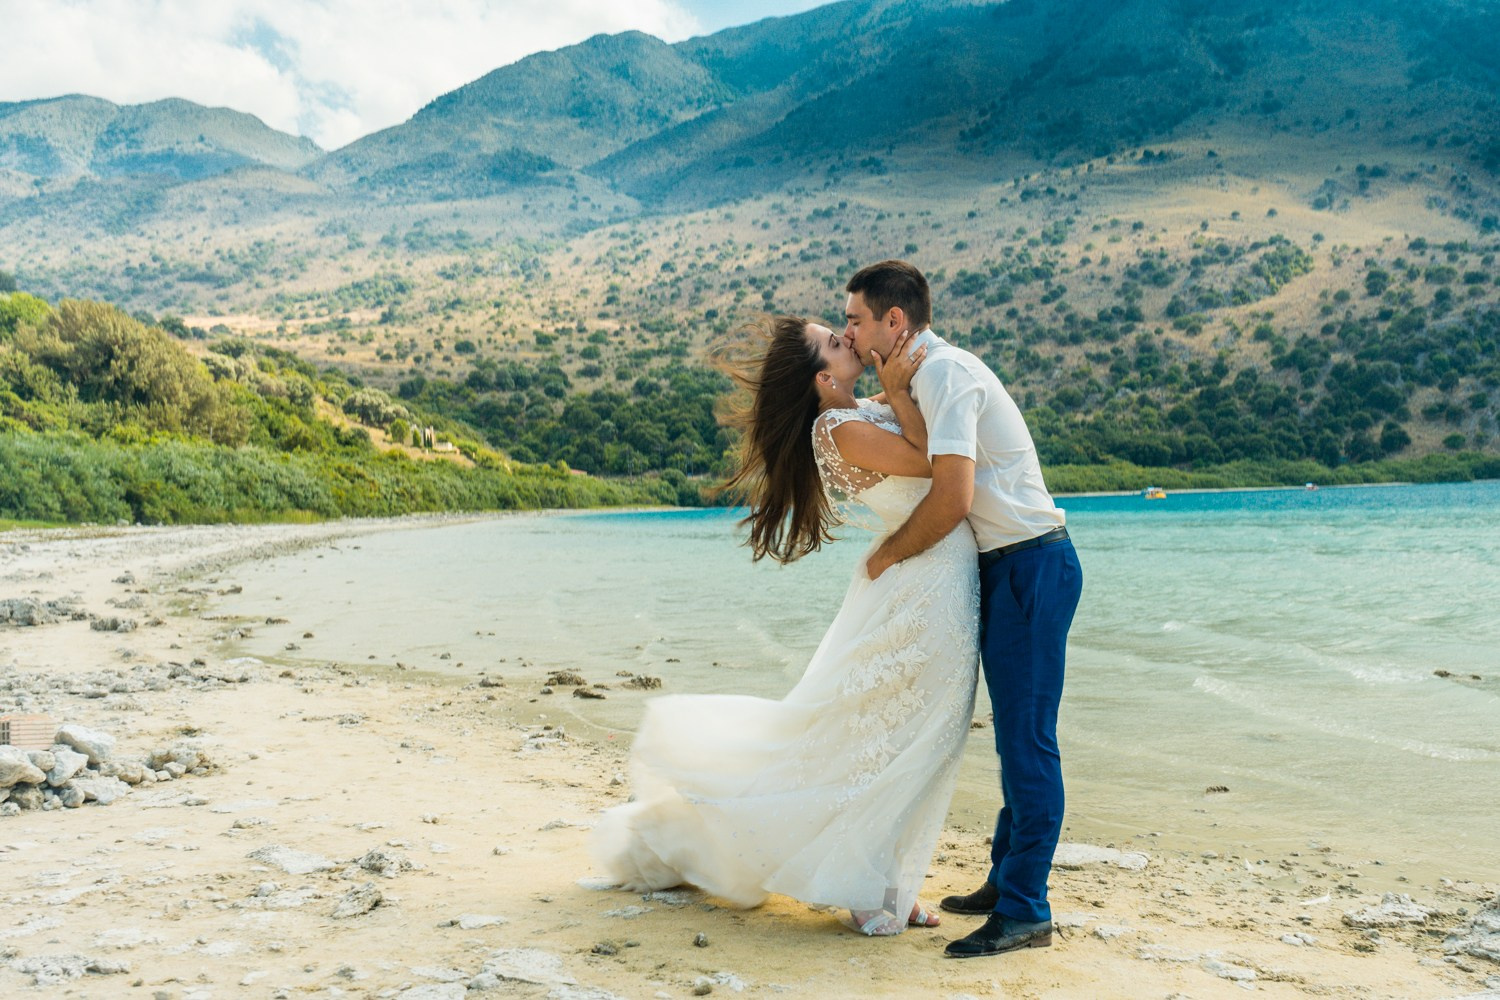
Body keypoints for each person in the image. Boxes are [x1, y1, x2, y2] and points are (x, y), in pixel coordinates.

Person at [591, 313, 980, 936]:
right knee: (887, 737)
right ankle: (869, 884)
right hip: (916, 582)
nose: (848, 337)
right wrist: (904, 390)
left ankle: (893, 881)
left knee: (915, 735)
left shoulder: (860, 408)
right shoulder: (838, 427)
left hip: (933, 580)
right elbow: (933, 462)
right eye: (834, 340)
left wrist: (900, 388)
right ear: (823, 379)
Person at [842, 259, 1082, 959]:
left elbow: (951, 497)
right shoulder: (917, 380)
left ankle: (1026, 910)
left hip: (1031, 565)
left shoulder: (946, 376)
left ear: (895, 321)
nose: (849, 332)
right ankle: (1008, 881)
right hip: (1009, 568)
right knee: (1014, 737)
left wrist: (886, 557)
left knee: (1028, 741)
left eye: (856, 319)